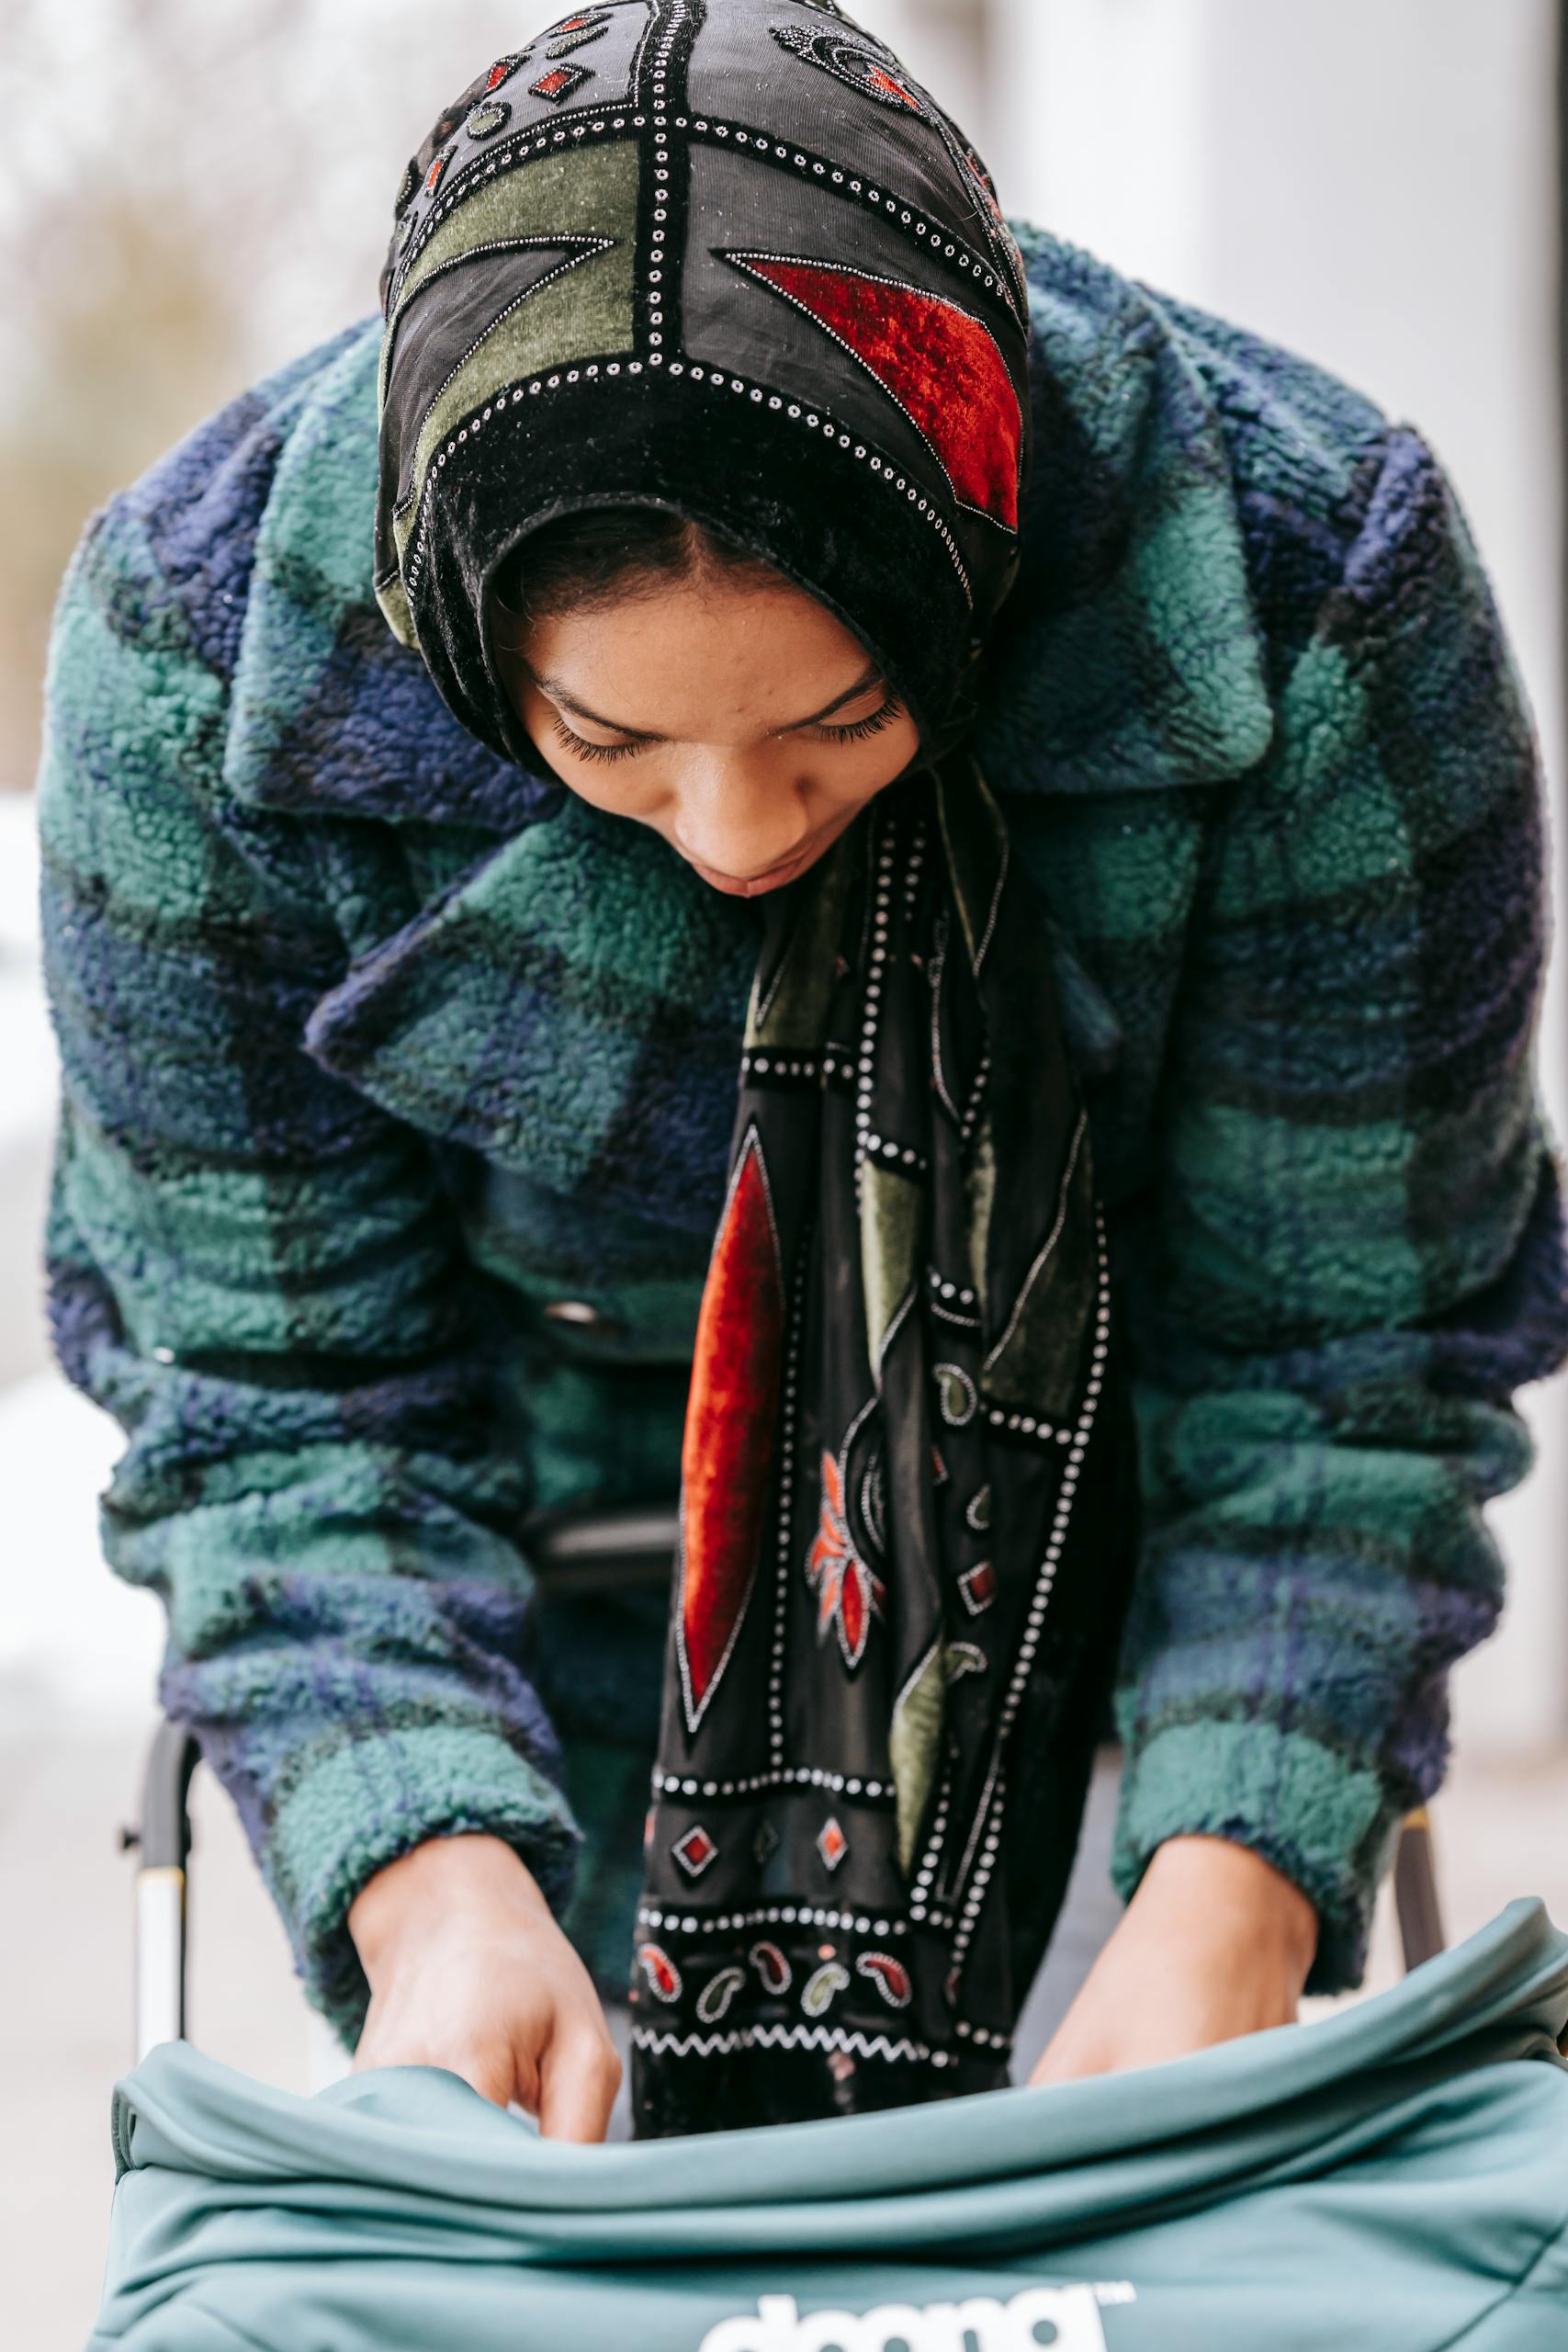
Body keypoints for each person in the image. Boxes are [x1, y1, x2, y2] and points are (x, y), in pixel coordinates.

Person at [37, 0, 1568, 2143]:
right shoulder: (199, 672)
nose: (743, 828)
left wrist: (1226, 1893)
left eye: (838, 720)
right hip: (500, 1634)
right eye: (612, 746)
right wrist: (428, 1884)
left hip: (1119, 1638)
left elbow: (1340, 1358)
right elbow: (282, 1403)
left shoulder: (1308, 594)